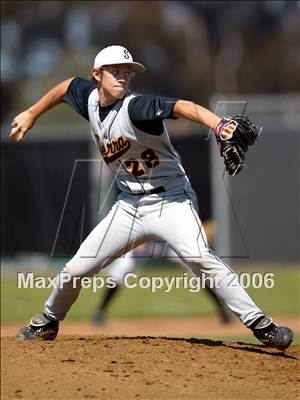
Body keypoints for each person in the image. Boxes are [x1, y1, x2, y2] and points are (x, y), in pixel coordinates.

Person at [10, 45, 293, 350]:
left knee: (199, 257)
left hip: (171, 201)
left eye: (126, 72)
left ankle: (262, 325)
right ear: (97, 75)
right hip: (128, 206)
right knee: (76, 268)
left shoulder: (136, 108)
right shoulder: (88, 99)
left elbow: (181, 105)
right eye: (115, 71)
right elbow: (66, 87)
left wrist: (219, 124)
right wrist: (31, 112)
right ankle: (47, 321)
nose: (122, 77)